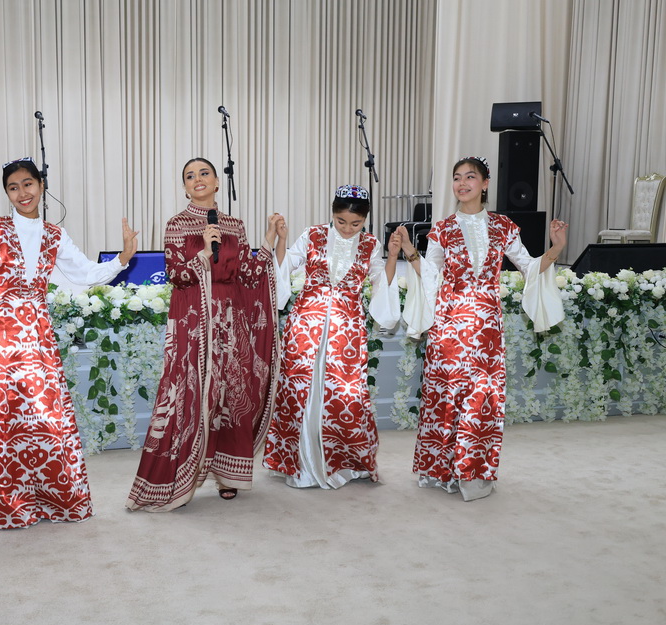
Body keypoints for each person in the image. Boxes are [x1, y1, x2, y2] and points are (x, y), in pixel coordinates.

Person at [0, 157, 138, 529]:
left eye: (27, 184)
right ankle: (9, 505)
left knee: (49, 416)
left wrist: (123, 258)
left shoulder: (54, 235)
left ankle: (56, 499)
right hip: (0, 334)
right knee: (3, 417)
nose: (22, 193)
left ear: (41, 186)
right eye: (13, 187)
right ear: (7, 193)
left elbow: (85, 272)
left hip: (38, 332)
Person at [400, 156, 567, 501]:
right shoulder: (442, 229)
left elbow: (530, 268)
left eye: (470, 177)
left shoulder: (504, 226)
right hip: (449, 324)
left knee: (482, 399)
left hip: (487, 326)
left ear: (485, 183)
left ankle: (473, 472)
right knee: (447, 396)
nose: (462, 184)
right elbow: (430, 275)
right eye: (457, 178)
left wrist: (556, 247)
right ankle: (443, 470)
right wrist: (410, 253)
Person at [126, 157, 282, 511]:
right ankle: (177, 478)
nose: (197, 179)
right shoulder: (177, 224)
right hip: (194, 322)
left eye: (204, 173)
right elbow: (176, 275)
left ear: (216, 182)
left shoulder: (234, 225)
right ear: (185, 187)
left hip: (230, 322)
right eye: (189, 176)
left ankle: (227, 475)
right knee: (190, 394)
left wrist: (269, 239)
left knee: (230, 394)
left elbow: (247, 274)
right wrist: (203, 252)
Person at [263, 185, 402, 488]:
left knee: (345, 395)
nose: (348, 229)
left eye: (356, 223)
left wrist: (392, 256)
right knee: (301, 391)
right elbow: (286, 267)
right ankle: (301, 463)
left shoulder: (370, 244)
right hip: (306, 324)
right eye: (341, 222)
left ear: (365, 220)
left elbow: (382, 283)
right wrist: (282, 240)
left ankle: (342, 461)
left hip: (347, 330)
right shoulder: (313, 235)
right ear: (332, 214)